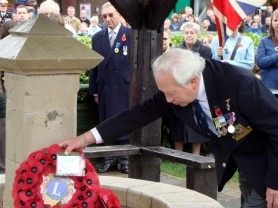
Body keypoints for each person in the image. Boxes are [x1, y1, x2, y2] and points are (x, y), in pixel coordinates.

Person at [60, 48, 278, 208]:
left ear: (193, 82)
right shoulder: (175, 87)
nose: (168, 100)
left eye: (172, 93)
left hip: (270, 159)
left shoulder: (240, 84)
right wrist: (85, 139)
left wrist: (275, 182)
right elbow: (136, 115)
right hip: (243, 159)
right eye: (164, 92)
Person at [89, 2, 131, 174]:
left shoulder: (131, 34)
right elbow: (94, 66)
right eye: (104, 16)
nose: (107, 19)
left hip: (124, 87)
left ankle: (125, 158)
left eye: (111, 15)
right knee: (107, 122)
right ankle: (109, 158)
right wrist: (95, 90)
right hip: (105, 88)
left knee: (125, 122)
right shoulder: (97, 37)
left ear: (119, 14)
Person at [174, 22, 211, 154]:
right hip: (180, 89)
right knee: (179, 122)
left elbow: (206, 70)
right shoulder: (177, 50)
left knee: (197, 122)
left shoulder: (205, 50)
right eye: (186, 33)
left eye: (192, 33)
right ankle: (178, 154)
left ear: (197, 34)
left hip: (197, 91)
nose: (189, 35)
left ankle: (196, 155)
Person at [256, 8, 278, 90]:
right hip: (269, 87)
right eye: (275, 20)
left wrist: (271, 62)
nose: (277, 23)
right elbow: (261, 63)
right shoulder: (264, 41)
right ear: (271, 22)